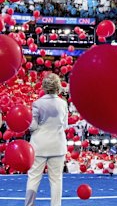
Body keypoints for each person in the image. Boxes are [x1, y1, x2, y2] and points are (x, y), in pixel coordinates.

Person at [25, 73, 69, 206]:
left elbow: (32, 126)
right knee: (56, 180)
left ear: (44, 87)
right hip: (58, 145)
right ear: (58, 87)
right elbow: (65, 125)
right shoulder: (63, 104)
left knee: (33, 178)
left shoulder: (37, 103)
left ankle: (29, 204)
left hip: (39, 145)